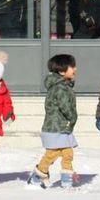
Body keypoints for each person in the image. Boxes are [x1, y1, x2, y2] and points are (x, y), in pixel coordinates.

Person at [30, 54, 79, 189]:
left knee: (67, 153)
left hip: (60, 126)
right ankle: (38, 175)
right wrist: (73, 117)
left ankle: (66, 180)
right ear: (62, 71)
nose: (75, 69)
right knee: (53, 153)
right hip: (57, 127)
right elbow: (66, 107)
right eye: (72, 67)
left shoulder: (63, 86)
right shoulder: (61, 88)